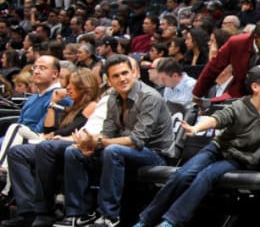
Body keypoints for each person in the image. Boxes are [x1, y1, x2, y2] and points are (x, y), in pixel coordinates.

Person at [132, 65, 260, 227]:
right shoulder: (240, 105)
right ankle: (145, 220)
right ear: (255, 87)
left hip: (239, 159)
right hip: (217, 149)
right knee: (183, 174)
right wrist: (196, 128)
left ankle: (171, 222)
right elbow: (218, 119)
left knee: (207, 175)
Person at [55, 54, 174, 227]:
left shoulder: (150, 97)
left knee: (112, 150)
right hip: (126, 149)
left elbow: (137, 140)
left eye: (125, 73)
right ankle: (79, 213)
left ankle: (109, 216)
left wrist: (99, 143)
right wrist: (90, 143)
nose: (122, 79)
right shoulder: (113, 98)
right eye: (116, 76)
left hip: (155, 154)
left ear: (134, 73)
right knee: (74, 151)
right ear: (109, 80)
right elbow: (108, 132)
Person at [3, 68, 100, 227]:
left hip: (72, 146)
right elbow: (48, 129)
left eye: (71, 84)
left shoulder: (92, 105)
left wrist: (57, 135)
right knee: (17, 152)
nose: (67, 87)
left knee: (35, 141)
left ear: (84, 87)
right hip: (53, 144)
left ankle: (45, 209)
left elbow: (75, 132)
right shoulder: (71, 106)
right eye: (67, 83)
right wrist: (53, 104)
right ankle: (28, 210)